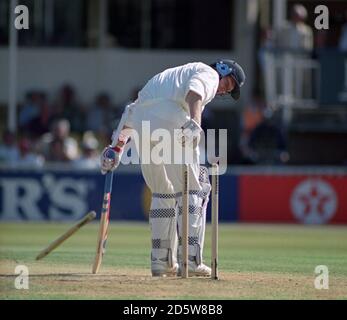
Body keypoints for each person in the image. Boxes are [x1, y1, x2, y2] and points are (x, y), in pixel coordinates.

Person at [100, 60, 245, 277]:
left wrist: (116, 148)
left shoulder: (169, 78)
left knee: (162, 192)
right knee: (195, 188)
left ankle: (161, 261)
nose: (224, 90)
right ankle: (191, 260)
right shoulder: (208, 73)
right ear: (223, 70)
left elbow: (134, 109)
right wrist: (195, 122)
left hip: (142, 127)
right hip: (171, 119)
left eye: (229, 90)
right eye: (229, 84)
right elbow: (195, 93)